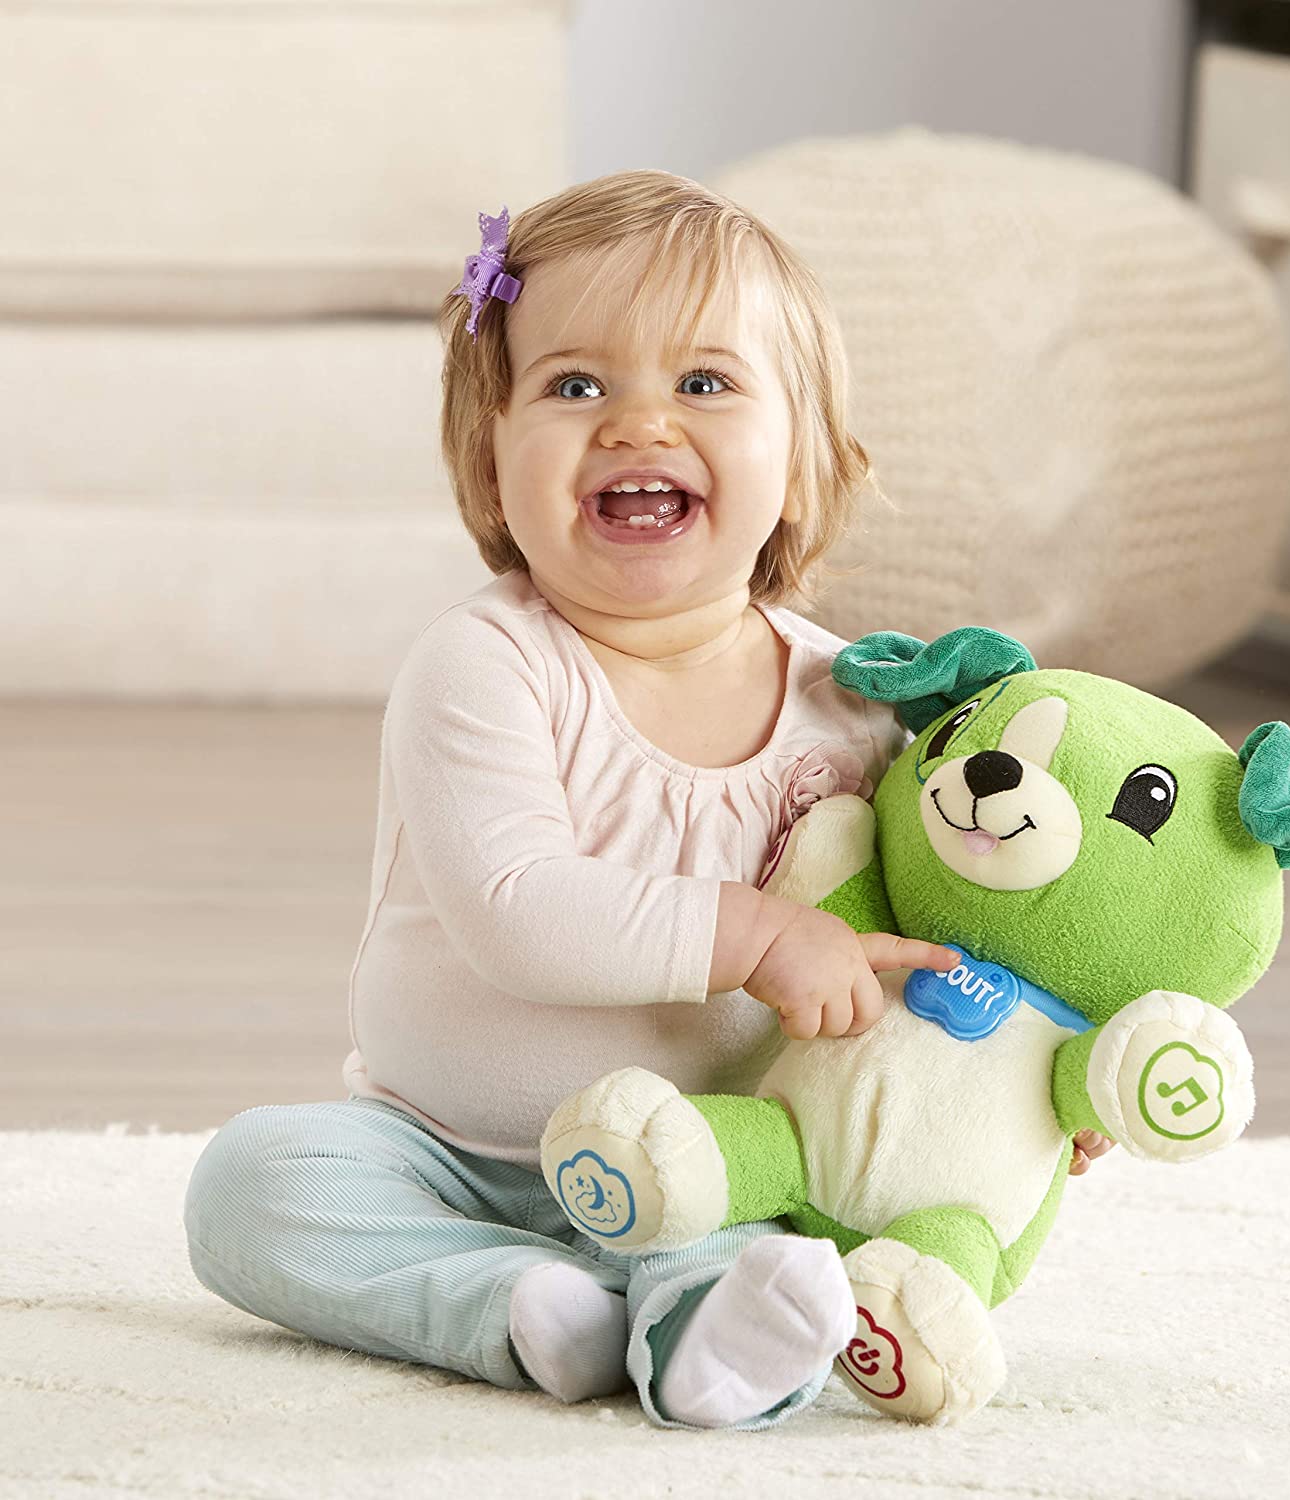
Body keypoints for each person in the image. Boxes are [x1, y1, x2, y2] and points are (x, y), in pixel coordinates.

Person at [183, 170, 1111, 1432]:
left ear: (802, 465)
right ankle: (515, 1304)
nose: (637, 423)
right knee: (253, 1185)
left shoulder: (855, 706)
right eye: (575, 386)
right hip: (446, 1153)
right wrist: (760, 934)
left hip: (712, 1159)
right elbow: (518, 913)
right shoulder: (484, 666)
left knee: (760, 1249)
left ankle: (696, 1333)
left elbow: (940, 928)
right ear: (491, 459)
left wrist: (1034, 1067)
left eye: (706, 382)